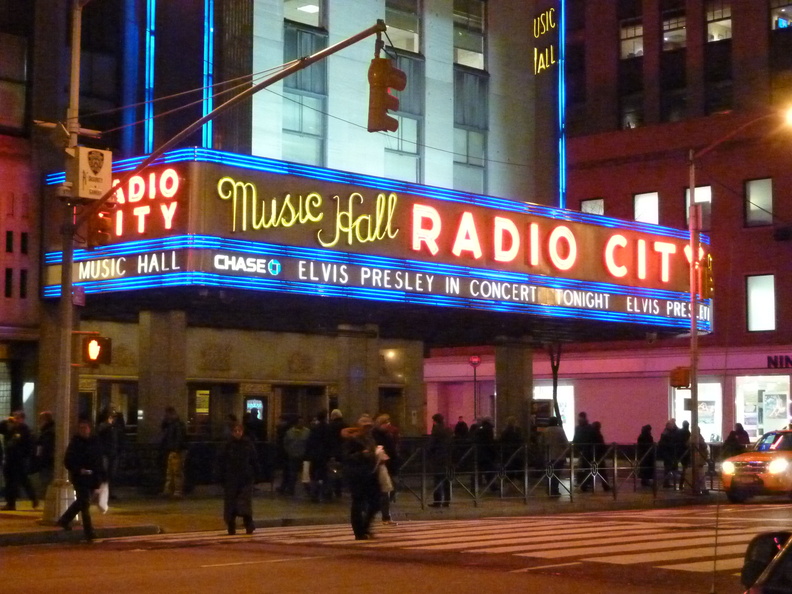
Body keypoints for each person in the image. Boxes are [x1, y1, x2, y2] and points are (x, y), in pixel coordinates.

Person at [57, 419, 105, 541]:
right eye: (81, 428)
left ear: (89, 429)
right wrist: (78, 470)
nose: (83, 430)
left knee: (82, 502)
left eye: (85, 427)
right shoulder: (75, 443)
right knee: (84, 503)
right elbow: (68, 461)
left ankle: (64, 519)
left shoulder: (95, 442)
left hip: (92, 477)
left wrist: (100, 479)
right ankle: (89, 531)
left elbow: (99, 462)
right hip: (80, 477)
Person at [341, 415, 381, 540]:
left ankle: (366, 526)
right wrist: (361, 455)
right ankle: (359, 532)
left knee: (376, 502)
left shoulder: (370, 439)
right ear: (360, 427)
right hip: (357, 474)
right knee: (358, 502)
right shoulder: (353, 439)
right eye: (365, 426)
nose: (368, 429)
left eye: (369, 426)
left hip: (370, 473)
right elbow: (346, 457)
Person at [215, 422, 259, 535]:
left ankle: (249, 524)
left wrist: (256, 474)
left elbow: (254, 460)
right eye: (235, 431)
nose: (238, 433)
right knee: (231, 503)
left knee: (245, 503)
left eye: (240, 431)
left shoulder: (247, 444)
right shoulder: (227, 445)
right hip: (231, 478)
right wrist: (220, 476)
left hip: (245, 477)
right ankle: (231, 526)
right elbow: (221, 462)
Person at [0, 411, 38, 510]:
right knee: (10, 481)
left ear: (22, 419)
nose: (15, 419)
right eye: (14, 417)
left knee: (22, 481)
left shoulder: (24, 430)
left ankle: (33, 498)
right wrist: (4, 421)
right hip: (9, 459)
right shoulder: (10, 428)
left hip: (19, 460)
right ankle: (11, 503)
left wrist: (25, 457)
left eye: (17, 417)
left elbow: (28, 446)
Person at [373, 414, 400, 525]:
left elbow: (393, 449)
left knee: (391, 489)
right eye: (385, 422)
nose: (388, 424)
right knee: (385, 491)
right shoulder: (375, 434)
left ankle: (383, 513)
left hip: (390, 464)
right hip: (381, 464)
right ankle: (385, 516)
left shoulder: (389, 434)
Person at [160, 406, 187, 498]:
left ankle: (176, 491)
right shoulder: (173, 424)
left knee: (176, 471)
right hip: (172, 450)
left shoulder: (176, 424)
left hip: (175, 450)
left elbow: (179, 438)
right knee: (171, 472)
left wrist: (176, 448)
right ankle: (170, 490)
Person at [97, 409, 125, 500]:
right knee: (104, 474)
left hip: (113, 452)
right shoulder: (104, 426)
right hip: (105, 452)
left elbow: (119, 439)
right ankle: (103, 493)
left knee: (111, 474)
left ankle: (110, 492)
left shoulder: (115, 428)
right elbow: (100, 433)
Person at [279, 416, 309, 496]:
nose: (301, 423)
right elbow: (285, 443)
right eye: (300, 422)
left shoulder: (307, 432)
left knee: (305, 474)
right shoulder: (289, 432)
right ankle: (291, 489)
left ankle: (308, 490)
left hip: (303, 456)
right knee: (292, 473)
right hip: (293, 455)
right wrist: (289, 451)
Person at [427, 413, 453, 507]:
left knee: (437, 480)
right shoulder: (448, 430)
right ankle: (447, 500)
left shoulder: (436, 430)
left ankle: (437, 501)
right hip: (447, 457)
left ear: (435, 421)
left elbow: (431, 445)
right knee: (446, 480)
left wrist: (429, 453)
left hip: (438, 457)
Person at [542, 417, 569, 496]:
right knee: (557, 474)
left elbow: (541, 442)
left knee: (549, 473)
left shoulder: (545, 430)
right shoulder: (560, 430)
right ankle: (555, 490)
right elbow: (565, 442)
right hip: (559, 455)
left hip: (548, 455)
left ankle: (549, 489)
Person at [35, 411, 56, 497]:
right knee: (45, 481)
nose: (39, 422)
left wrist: (40, 458)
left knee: (46, 482)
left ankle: (45, 499)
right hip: (47, 462)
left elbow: (46, 448)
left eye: (41, 420)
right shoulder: (47, 431)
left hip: (47, 462)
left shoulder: (48, 433)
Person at [572, 411, 595, 491]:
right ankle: (586, 483)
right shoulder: (589, 427)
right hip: (587, 450)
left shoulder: (579, 428)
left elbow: (576, 438)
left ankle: (584, 483)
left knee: (584, 467)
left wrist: (575, 446)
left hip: (584, 450)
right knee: (586, 467)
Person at [327, 409, 347, 498]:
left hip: (333, 453)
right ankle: (339, 490)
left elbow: (329, 440)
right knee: (341, 471)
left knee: (332, 472)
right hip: (344, 452)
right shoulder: (346, 425)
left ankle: (331, 490)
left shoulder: (331, 426)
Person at [657, 419, 679, 488]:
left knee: (669, 467)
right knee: (668, 468)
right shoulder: (666, 433)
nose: (673, 426)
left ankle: (668, 482)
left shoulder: (667, 432)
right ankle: (667, 482)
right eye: (672, 425)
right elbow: (664, 444)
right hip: (668, 453)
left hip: (669, 452)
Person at [591, 421, 611, 491]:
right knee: (602, 471)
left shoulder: (591, 434)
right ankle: (605, 486)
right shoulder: (598, 435)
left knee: (591, 471)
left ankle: (586, 485)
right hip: (598, 455)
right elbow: (602, 446)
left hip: (592, 454)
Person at [675, 420, 691, 491]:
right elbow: (688, 443)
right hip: (685, 452)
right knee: (685, 468)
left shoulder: (678, 432)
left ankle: (679, 484)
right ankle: (683, 484)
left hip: (678, 452)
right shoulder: (687, 432)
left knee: (676, 468)